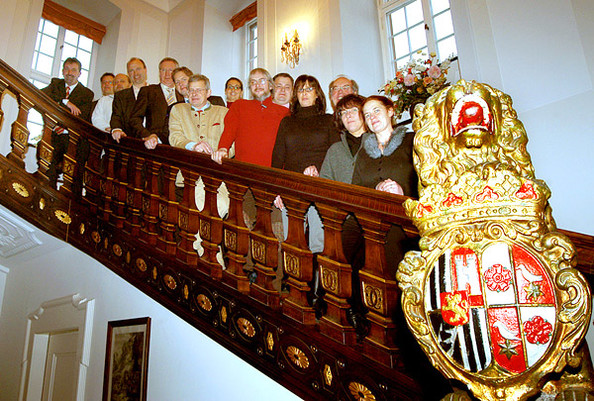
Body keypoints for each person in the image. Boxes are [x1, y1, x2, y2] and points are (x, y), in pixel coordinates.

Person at [342, 95, 418, 337]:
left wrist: (403, 191)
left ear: (391, 111)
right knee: (348, 239)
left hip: (407, 216)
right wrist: (375, 191)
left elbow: (427, 180)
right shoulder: (366, 150)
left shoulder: (412, 142)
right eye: (367, 114)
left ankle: (407, 322)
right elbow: (357, 186)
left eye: (376, 111)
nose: (372, 117)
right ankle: (360, 309)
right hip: (373, 217)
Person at [169, 74, 230, 264]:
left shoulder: (223, 112)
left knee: (220, 205)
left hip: (216, 174)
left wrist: (223, 150)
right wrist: (193, 145)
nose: (194, 94)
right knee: (200, 208)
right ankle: (213, 259)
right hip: (189, 174)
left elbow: (232, 141)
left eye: (199, 90)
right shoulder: (178, 110)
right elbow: (175, 138)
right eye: (191, 90)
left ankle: (200, 255)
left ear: (209, 92)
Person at [212, 68, 290, 166]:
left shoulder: (284, 112)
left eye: (262, 81)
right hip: (243, 169)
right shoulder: (239, 106)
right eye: (253, 82)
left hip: (272, 172)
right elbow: (229, 130)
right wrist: (223, 148)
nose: (257, 85)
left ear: (270, 85)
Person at [41, 57, 94, 187]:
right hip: (53, 134)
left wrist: (58, 104)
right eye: (67, 69)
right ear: (62, 71)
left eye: (74, 70)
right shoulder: (55, 84)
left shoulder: (87, 94)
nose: (70, 72)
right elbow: (41, 95)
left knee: (74, 172)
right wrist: (66, 102)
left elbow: (81, 116)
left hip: (72, 138)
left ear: (79, 73)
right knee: (48, 166)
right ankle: (48, 195)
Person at [129, 57, 182, 149]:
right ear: (159, 72)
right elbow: (135, 119)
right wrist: (148, 136)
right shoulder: (148, 91)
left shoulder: (183, 94)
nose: (167, 74)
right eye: (163, 70)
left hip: (179, 146)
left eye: (170, 70)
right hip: (155, 145)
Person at [320, 94, 366, 183]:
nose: (348, 115)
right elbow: (325, 183)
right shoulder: (334, 150)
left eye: (354, 110)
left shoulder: (377, 144)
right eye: (344, 112)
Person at [110, 57, 148, 142]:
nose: (135, 73)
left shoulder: (156, 92)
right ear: (128, 73)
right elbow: (116, 116)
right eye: (131, 70)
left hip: (152, 143)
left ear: (145, 70)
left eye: (138, 69)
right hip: (128, 142)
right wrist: (116, 129)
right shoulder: (121, 95)